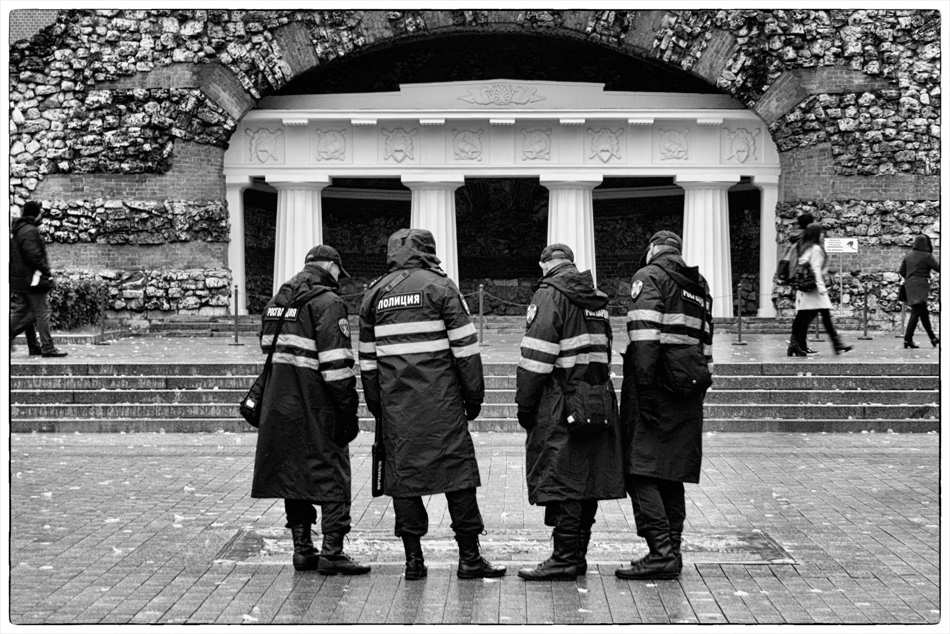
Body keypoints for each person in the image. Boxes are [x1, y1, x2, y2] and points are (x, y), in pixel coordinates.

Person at [358, 228, 505, 580]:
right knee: (458, 478)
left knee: (404, 481)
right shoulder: (441, 288)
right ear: (428, 252)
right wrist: (473, 399)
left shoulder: (374, 295)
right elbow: (466, 352)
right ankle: (469, 558)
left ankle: (414, 561)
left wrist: (379, 408)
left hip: (397, 408)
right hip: (443, 405)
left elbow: (367, 364)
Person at [251, 245, 369, 576]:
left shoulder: (278, 300)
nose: (339, 279)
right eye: (338, 272)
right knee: (333, 476)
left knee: (294, 475)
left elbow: (266, 346)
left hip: (279, 404)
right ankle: (332, 551)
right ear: (330, 267)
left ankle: (302, 549)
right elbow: (337, 366)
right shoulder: (329, 303)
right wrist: (348, 413)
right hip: (317, 406)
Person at [515, 244, 625, 581]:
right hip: (596, 398)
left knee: (563, 481)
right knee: (586, 480)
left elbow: (536, 358)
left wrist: (525, 405)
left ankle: (563, 559)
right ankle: (577, 556)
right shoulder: (596, 299)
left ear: (544, 264)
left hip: (560, 400)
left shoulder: (549, 295)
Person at [617, 231, 714, 580]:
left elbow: (644, 338)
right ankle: (673, 550)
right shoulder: (699, 285)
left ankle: (660, 552)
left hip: (655, 386)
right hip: (689, 387)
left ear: (653, 250)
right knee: (671, 474)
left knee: (640, 470)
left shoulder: (650, 277)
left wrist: (643, 392)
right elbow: (706, 343)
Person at [10, 201, 67, 357]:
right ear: (34, 214)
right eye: (40, 212)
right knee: (42, 312)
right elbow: (34, 256)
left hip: (22, 280)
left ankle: (34, 346)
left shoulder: (19, 229)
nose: (42, 215)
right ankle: (47, 347)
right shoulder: (30, 231)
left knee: (26, 312)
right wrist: (46, 271)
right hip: (32, 279)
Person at [789, 222, 853, 357]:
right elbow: (816, 269)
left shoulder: (807, 247)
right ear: (817, 234)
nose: (823, 235)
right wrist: (822, 288)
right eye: (821, 233)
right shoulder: (816, 249)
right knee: (812, 316)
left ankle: (796, 344)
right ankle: (835, 343)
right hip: (814, 289)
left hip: (808, 289)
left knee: (808, 316)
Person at [784, 212, 818, 355]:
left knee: (805, 313)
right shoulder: (805, 238)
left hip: (799, 279)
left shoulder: (796, 236)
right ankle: (796, 344)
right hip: (805, 279)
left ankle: (799, 344)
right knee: (805, 314)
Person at [899, 234, 939, 348]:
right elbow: (938, 268)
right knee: (916, 311)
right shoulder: (927, 256)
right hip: (921, 286)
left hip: (909, 286)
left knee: (923, 312)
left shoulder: (908, 255)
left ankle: (933, 338)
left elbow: (902, 271)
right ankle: (907, 339)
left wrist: (911, 278)